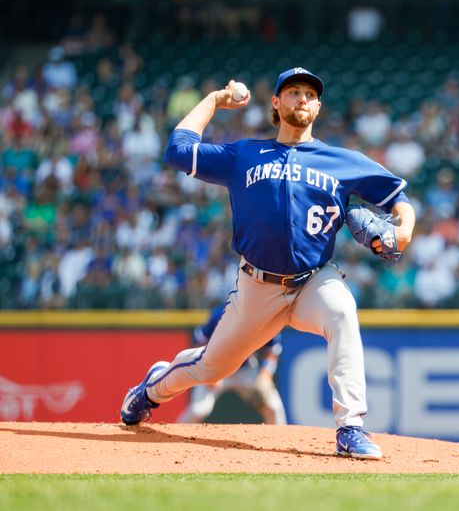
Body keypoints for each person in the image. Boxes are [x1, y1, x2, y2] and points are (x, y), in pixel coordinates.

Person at [119, 67, 416, 461]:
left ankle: (350, 428)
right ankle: (150, 389)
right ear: (276, 103)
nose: (302, 99)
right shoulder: (244, 154)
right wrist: (213, 100)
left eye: (309, 94)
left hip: (314, 280)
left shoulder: (343, 161)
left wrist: (404, 231)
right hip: (257, 286)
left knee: (343, 312)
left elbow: (400, 200)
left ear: (319, 106)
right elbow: (178, 150)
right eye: (293, 92)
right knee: (210, 368)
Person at [177, 303, 286, 425]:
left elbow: (271, 351)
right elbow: (198, 344)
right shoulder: (220, 315)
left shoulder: (264, 318)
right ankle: (172, 440)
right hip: (215, 369)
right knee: (198, 410)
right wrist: (207, 371)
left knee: (273, 408)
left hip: (245, 370)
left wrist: (265, 376)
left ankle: (282, 443)